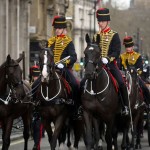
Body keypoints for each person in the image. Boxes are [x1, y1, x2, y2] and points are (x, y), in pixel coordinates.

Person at [94, 8, 129, 115]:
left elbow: (116, 52)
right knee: (83, 83)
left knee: (122, 84)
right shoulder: (96, 36)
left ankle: (125, 106)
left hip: (110, 65)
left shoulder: (114, 35)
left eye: (102, 21)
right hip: (98, 65)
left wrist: (108, 58)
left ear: (107, 22)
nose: (100, 24)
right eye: (99, 21)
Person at [47, 15, 81, 118]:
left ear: (64, 29)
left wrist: (64, 63)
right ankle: (36, 108)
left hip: (63, 69)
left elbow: (74, 57)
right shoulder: (50, 41)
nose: (57, 30)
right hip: (50, 69)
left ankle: (75, 108)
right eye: (56, 28)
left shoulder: (68, 41)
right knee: (36, 83)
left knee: (75, 85)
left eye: (59, 28)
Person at [120, 36, 150, 108]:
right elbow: (119, 68)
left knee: (144, 88)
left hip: (135, 77)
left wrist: (135, 72)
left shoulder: (137, 56)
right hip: (125, 77)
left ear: (132, 46)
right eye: (126, 46)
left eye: (129, 46)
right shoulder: (122, 56)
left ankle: (148, 103)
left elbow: (140, 69)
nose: (128, 48)